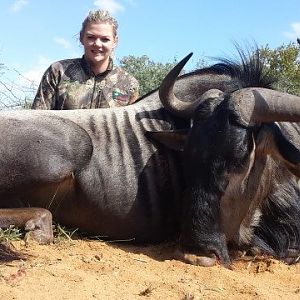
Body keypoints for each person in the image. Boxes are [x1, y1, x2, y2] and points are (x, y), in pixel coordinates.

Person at [32, 10, 139, 110]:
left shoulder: (129, 84)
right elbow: (37, 119)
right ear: (81, 38)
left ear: (115, 42)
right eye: (91, 37)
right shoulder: (58, 71)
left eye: (105, 39)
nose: (97, 44)